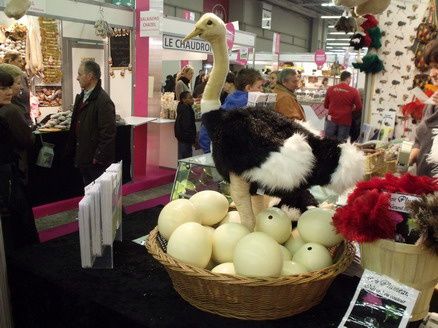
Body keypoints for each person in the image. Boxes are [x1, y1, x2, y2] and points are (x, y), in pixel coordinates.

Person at [0, 71, 38, 252]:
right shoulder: (10, 111)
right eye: (3, 88)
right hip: (8, 175)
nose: (8, 91)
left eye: (9, 86)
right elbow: (26, 140)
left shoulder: (8, 109)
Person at [66, 60, 116, 186]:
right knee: (89, 194)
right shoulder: (82, 96)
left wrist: (98, 158)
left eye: (79, 74)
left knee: (97, 195)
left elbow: (108, 134)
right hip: (84, 157)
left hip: (95, 162)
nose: (77, 78)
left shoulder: (103, 101)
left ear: (90, 76)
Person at [199, 68, 264, 153]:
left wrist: (209, 152)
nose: (262, 90)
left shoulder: (227, 104)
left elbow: (205, 130)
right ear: (248, 88)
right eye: (259, 87)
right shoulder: (248, 107)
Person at [409, 39, 438, 177]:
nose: (432, 73)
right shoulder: (431, 103)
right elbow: (420, 139)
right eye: (431, 67)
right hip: (425, 185)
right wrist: (414, 152)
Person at [323, 71, 362, 141]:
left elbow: (325, 105)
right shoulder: (354, 91)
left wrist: (334, 106)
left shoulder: (330, 89)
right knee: (341, 144)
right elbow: (359, 107)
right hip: (345, 120)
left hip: (331, 120)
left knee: (328, 142)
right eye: (350, 79)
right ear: (348, 79)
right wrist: (351, 109)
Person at [2, 51, 30, 120]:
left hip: (24, 117)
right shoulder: (4, 74)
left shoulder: (23, 76)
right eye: (19, 61)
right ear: (11, 61)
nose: (22, 64)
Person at [174, 91, 196, 159]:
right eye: (190, 98)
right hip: (185, 138)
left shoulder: (185, 108)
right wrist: (192, 138)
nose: (192, 99)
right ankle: (184, 169)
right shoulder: (185, 110)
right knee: (185, 157)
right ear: (184, 100)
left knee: (184, 156)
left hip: (184, 138)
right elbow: (187, 126)